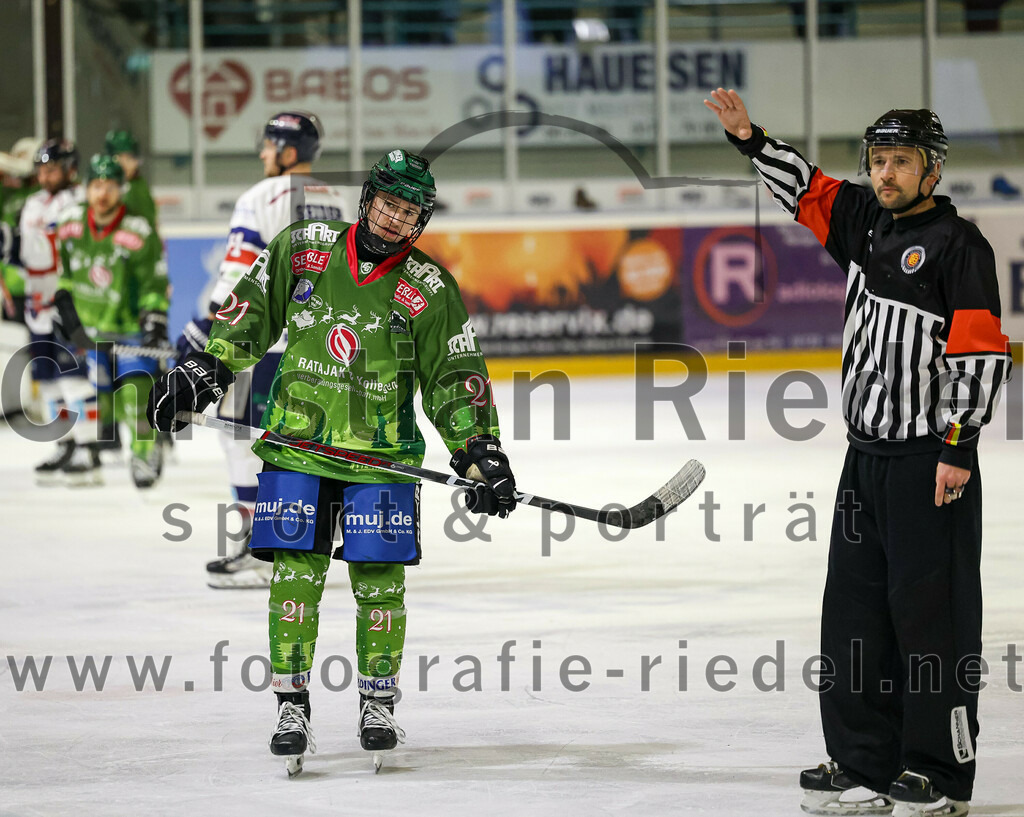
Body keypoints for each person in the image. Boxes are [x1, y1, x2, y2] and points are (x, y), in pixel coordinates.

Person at [147, 148, 518, 776]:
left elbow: (454, 377)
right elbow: (249, 318)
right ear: (367, 198)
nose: (397, 220)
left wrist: (478, 451)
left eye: (410, 212)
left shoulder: (429, 289)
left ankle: (378, 702)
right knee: (295, 578)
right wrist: (204, 373)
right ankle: (292, 705)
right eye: (389, 205)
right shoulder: (303, 246)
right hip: (298, 444)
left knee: (380, 583)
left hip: (383, 458)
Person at [706, 88, 1012, 817]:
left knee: (931, 619)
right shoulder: (865, 222)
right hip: (863, 459)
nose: (885, 173)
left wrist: (958, 447)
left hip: (928, 464)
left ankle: (937, 771)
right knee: (854, 614)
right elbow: (806, 190)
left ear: (931, 169)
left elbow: (979, 357)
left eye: (900, 161)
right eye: (878, 160)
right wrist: (751, 140)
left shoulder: (960, 246)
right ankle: (862, 763)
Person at [174, 111, 347, 588]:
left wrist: (203, 328)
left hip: (265, 345)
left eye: (269, 145)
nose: (262, 153)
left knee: (241, 436)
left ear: (288, 151)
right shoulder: (335, 199)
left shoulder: (259, 198)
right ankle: (303, 537)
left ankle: (262, 550)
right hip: (325, 346)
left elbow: (237, 276)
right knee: (303, 441)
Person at [52, 154, 169, 488]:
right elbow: (67, 276)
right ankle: (100, 447)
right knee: (103, 396)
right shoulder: (69, 224)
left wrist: (154, 320)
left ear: (121, 189)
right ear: (87, 188)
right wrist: (65, 306)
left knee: (136, 395)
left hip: (130, 328)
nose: (103, 193)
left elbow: (153, 285)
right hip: (91, 331)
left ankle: (145, 451)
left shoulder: (138, 230)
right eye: (96, 185)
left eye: (110, 186)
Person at [17, 138, 94, 484]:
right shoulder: (31, 203)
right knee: (46, 378)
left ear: (69, 169)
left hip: (66, 296)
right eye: (41, 170)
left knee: (75, 378)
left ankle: (89, 447)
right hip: (36, 298)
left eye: (52, 170)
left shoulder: (79, 203)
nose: (45, 176)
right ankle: (64, 443)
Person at [0, 137, 42, 323]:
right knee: (17, 348)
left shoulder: (46, 193)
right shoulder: (7, 193)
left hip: (43, 286)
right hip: (13, 286)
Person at [104, 130, 158, 230]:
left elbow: (150, 227)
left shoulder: (138, 188)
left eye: (129, 158)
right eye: (119, 158)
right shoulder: (101, 186)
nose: (125, 164)